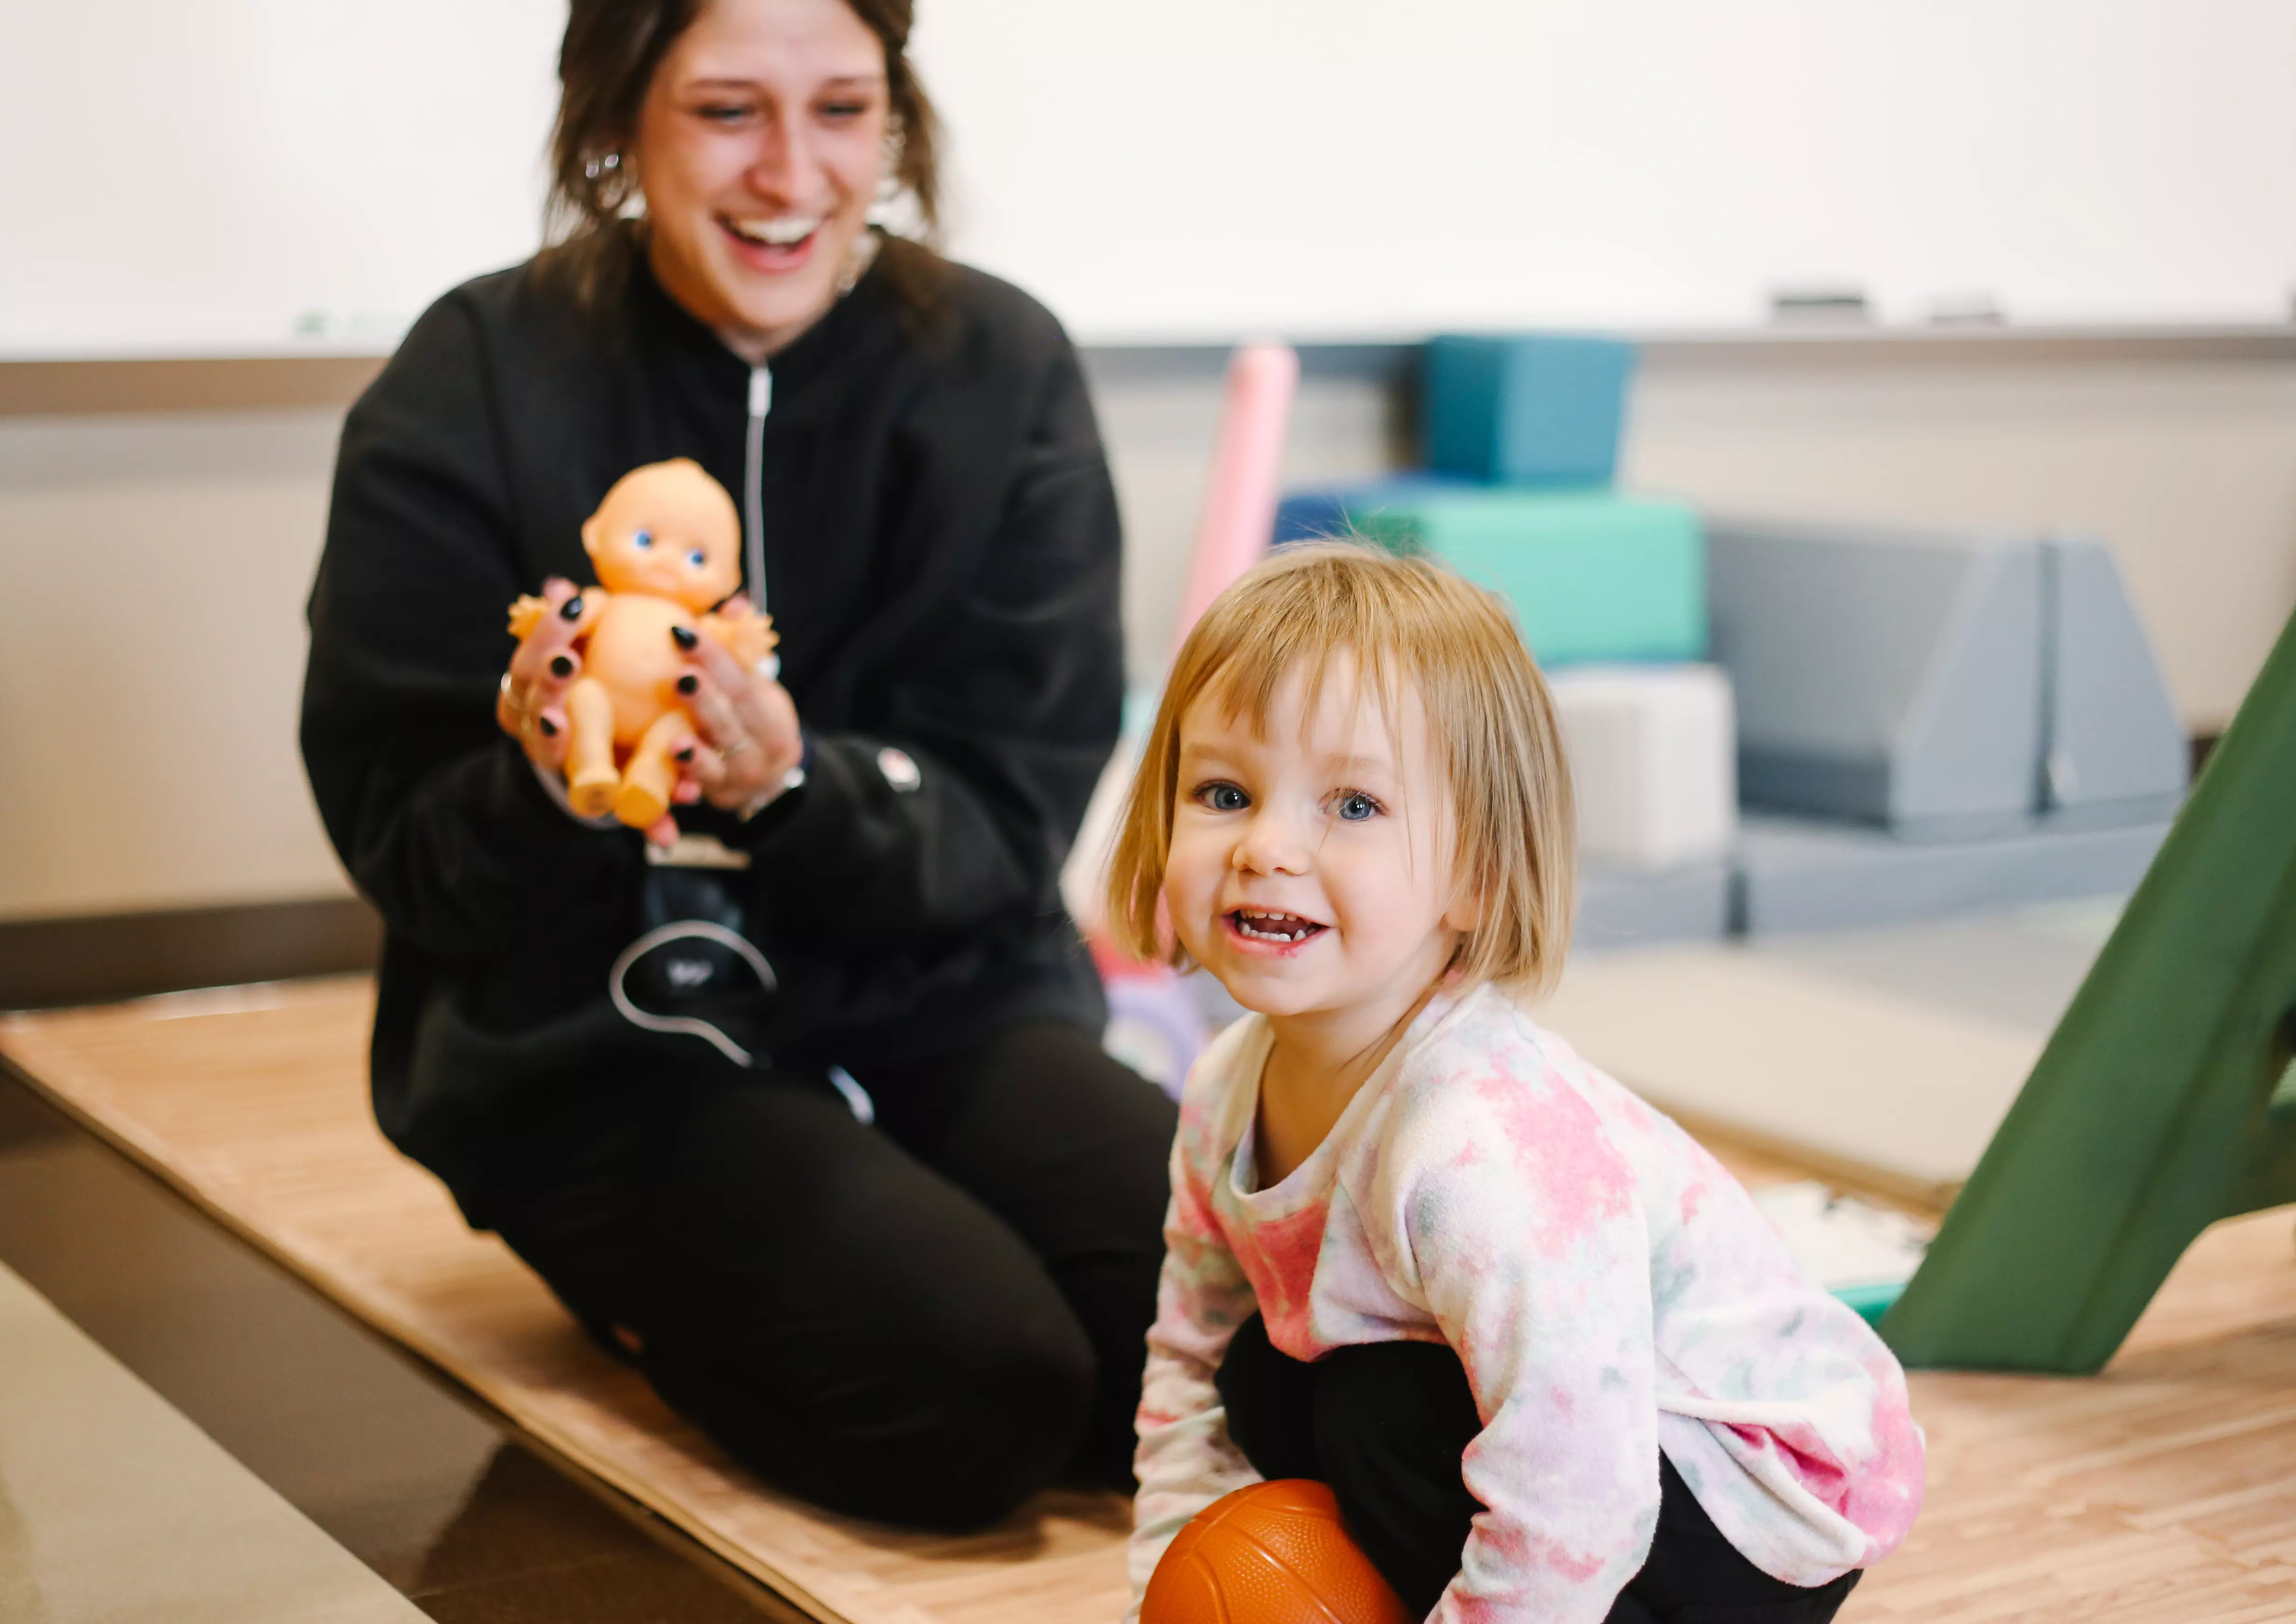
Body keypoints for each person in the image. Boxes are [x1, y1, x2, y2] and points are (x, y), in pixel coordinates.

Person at [300, 0, 1177, 1532]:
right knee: (979, 1391)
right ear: (615, 119)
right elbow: (403, 833)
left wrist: (796, 789)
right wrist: (549, 784)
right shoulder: (477, 372)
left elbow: (1010, 806)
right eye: (726, 112)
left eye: (841, 109)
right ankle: (656, 1285)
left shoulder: (1002, 366)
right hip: (598, 1050)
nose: (791, 175)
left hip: (944, 997)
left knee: (1223, 1339)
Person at [1107, 543, 1926, 1622]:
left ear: (1478, 873)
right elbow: (1187, 1367)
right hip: (1581, 1441)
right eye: (1225, 792)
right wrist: (1161, 1588)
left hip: (1749, 1501)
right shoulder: (1224, 1091)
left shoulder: (1480, 1150)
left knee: (1373, 1409)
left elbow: (1583, 1489)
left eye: (1354, 804)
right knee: (1258, 1371)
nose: (1266, 845)